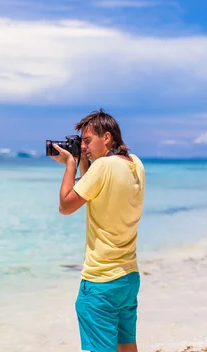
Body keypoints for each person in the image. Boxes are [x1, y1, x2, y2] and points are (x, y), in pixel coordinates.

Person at [50, 109, 146, 352]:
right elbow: (96, 187)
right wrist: (84, 162)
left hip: (101, 281)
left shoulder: (103, 166)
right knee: (126, 347)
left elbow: (65, 205)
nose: (83, 147)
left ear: (107, 138)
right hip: (127, 277)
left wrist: (70, 164)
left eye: (87, 140)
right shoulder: (136, 164)